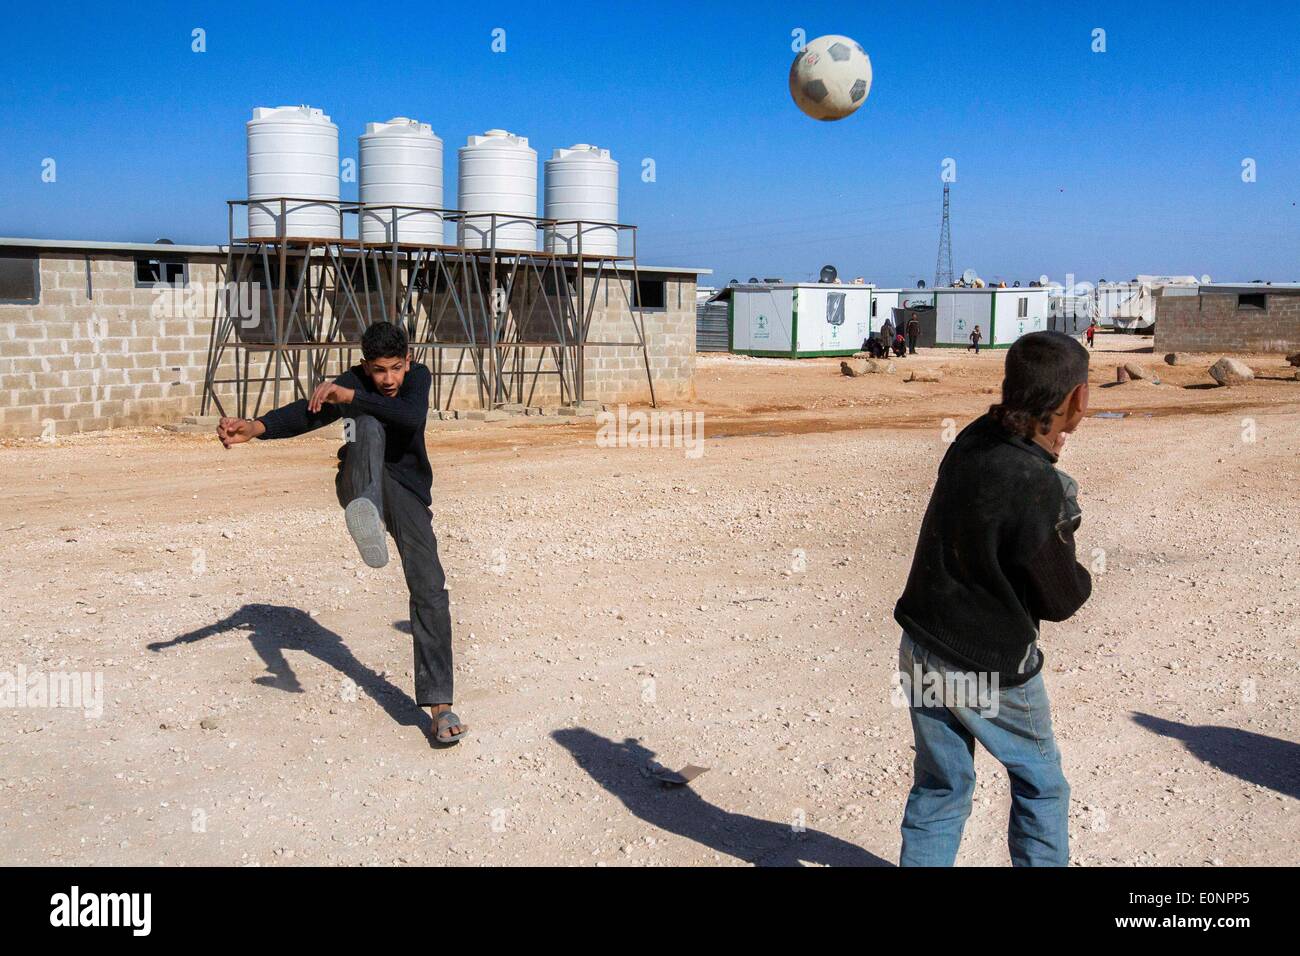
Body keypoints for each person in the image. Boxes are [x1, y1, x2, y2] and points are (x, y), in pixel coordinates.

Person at [215, 322, 468, 746]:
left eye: (395, 369)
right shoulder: (354, 383)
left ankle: (440, 706)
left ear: (408, 361)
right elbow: (305, 412)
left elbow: (409, 416)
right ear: (364, 365)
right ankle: (365, 511)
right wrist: (257, 428)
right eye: (377, 371)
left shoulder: (416, 379)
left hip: (405, 491)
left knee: (430, 587)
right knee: (366, 426)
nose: (388, 380)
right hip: (356, 484)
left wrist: (351, 396)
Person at [893, 330, 1093, 867]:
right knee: (1040, 785)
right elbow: (1060, 598)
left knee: (940, 787)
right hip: (992, 664)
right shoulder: (1035, 484)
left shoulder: (975, 437)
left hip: (922, 640)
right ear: (1079, 399)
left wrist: (1045, 452)